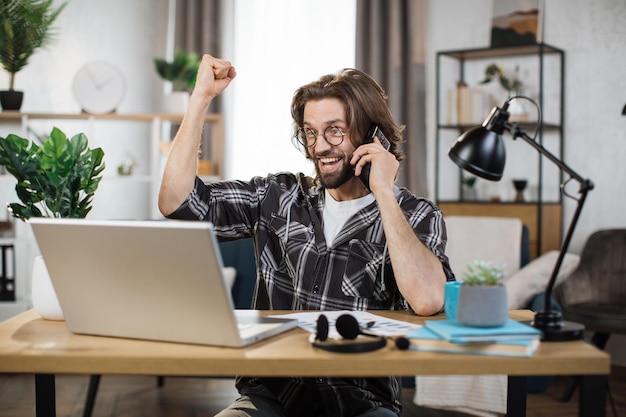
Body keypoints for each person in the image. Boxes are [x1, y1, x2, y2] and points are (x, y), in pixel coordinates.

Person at [159, 54, 454, 417]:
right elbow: (177, 202)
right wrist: (201, 97)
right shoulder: (277, 196)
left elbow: (427, 299)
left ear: (372, 136)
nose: (319, 147)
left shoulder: (417, 215)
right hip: (273, 396)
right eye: (311, 132)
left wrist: (385, 195)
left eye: (335, 130)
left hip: (362, 405)